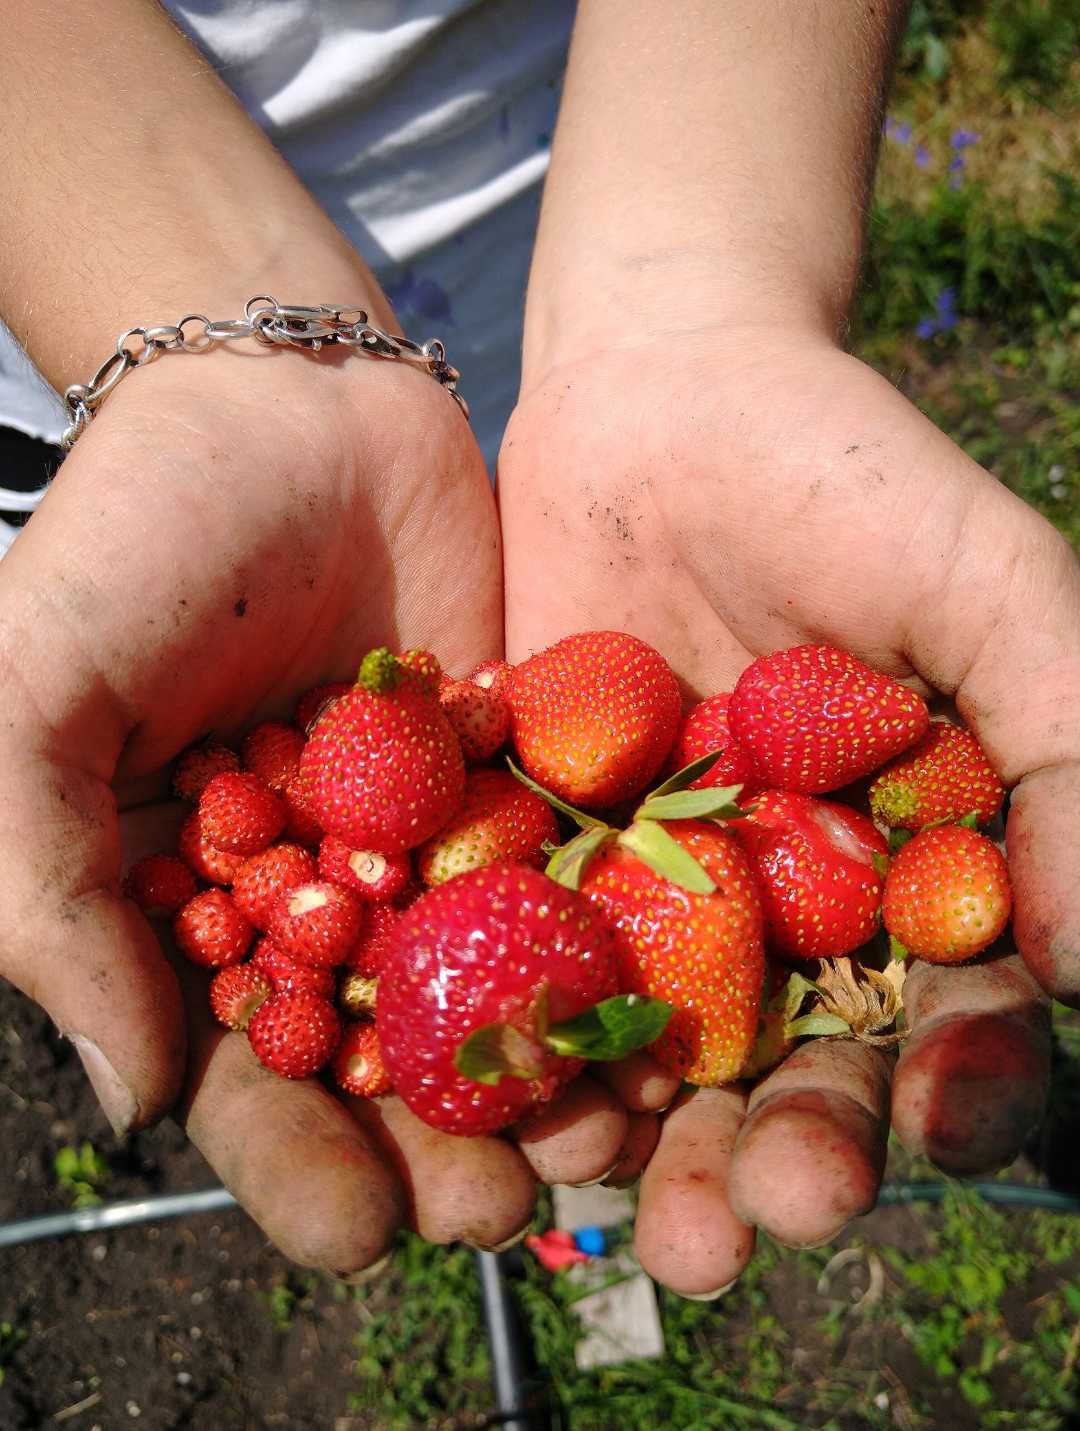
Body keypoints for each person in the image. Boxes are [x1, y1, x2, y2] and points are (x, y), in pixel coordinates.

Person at [0, 0, 1071, 1299]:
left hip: (607, 232)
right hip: (91, 334)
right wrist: (224, 384)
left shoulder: (521, 826)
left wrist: (699, 309)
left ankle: (577, 1262)